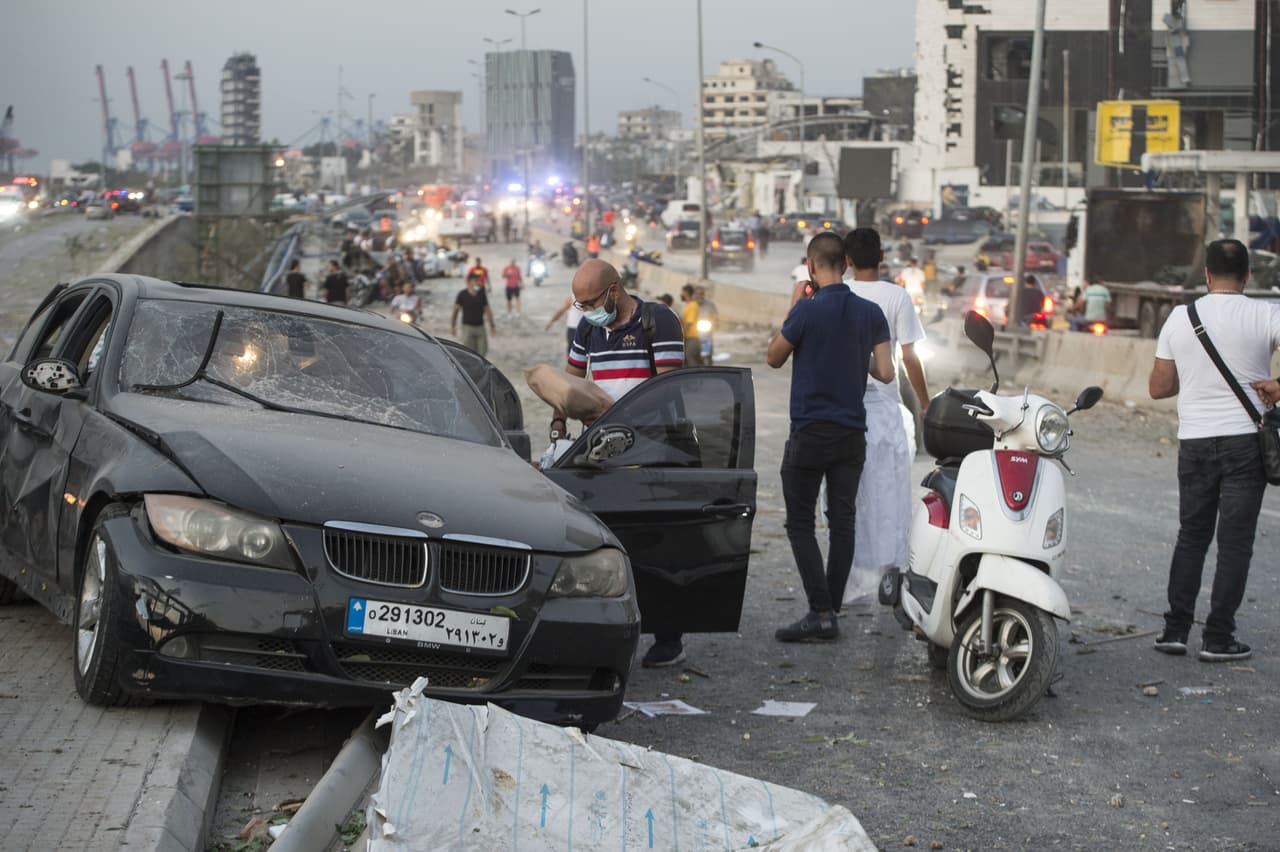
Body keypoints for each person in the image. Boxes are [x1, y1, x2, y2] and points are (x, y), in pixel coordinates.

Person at [1149, 239, 1280, 662]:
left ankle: (1175, 630)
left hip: (1195, 441)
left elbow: (1159, 387)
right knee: (1235, 542)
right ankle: (1218, 637)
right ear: (1247, 276)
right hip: (1246, 441)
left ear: (1206, 275)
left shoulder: (1180, 317)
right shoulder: (1267, 312)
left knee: (1192, 535)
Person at [555, 259, 687, 666]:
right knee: (602, 544)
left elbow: (667, 387)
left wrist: (617, 417)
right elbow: (572, 379)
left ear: (613, 291)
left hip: (653, 453)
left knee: (659, 548)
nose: (585, 310)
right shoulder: (589, 328)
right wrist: (559, 421)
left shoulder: (658, 322)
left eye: (590, 301)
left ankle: (668, 637)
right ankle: (607, 632)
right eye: (578, 304)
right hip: (602, 453)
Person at [766, 232, 894, 642]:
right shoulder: (871, 312)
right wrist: (856, 359)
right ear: (846, 264)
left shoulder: (805, 310)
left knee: (800, 524)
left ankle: (820, 612)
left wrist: (794, 308)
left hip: (809, 433)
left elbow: (773, 357)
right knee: (843, 523)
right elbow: (887, 372)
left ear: (811, 266)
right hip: (851, 434)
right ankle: (830, 609)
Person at [841, 228, 930, 603]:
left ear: (847, 260)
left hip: (841, 407)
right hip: (884, 409)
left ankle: (844, 578)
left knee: (849, 496)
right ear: (881, 258)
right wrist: (925, 402)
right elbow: (908, 358)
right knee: (890, 496)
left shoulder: (836, 294)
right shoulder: (896, 296)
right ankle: (888, 579)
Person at [451, 270, 496, 356]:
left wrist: (492, 326)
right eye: (475, 281)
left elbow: (487, 310)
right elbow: (455, 311)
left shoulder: (481, 293)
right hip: (467, 328)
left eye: (479, 280)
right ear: (468, 282)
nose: (478, 283)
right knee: (468, 352)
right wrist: (453, 326)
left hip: (480, 327)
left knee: (483, 351)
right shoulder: (462, 294)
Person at [679, 284, 703, 367]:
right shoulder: (688, 305)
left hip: (692, 337)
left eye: (682, 292)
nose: (680, 294)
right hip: (688, 337)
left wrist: (681, 334)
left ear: (686, 293)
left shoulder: (693, 305)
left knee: (689, 356)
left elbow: (689, 323)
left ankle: (694, 376)